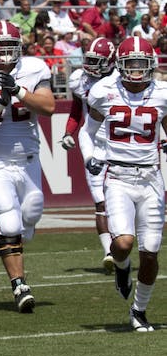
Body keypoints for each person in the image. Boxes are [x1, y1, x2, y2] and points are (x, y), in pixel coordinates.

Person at [0, 21, 55, 312]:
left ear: (20, 48)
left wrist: (18, 91)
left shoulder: (34, 68)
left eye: (9, 48)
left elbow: (49, 107)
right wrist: (0, 106)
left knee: (31, 214)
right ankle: (19, 284)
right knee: (11, 222)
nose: (4, 55)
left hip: (28, 160)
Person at [85, 37, 167, 332]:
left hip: (150, 179)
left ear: (150, 65)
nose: (134, 70)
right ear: (119, 65)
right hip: (118, 176)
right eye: (129, 64)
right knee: (123, 244)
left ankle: (139, 309)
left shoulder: (162, 93)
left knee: (151, 249)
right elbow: (87, 131)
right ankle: (121, 266)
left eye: (140, 64)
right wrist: (91, 155)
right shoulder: (104, 90)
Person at [61, 38, 117, 272]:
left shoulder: (119, 81)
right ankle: (109, 252)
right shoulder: (79, 81)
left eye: (97, 61)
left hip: (118, 144)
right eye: (90, 60)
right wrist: (68, 132)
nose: (91, 66)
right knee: (100, 201)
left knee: (119, 201)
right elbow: (76, 110)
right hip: (93, 143)